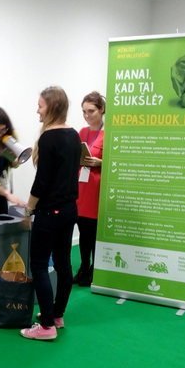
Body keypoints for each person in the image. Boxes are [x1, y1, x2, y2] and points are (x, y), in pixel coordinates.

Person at [20, 86, 81, 341]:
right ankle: (57, 315)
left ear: (52, 107)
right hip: (69, 210)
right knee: (63, 262)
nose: (37, 110)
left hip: (49, 212)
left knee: (39, 265)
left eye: (40, 106)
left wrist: (28, 209)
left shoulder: (48, 139)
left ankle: (46, 326)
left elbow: (41, 182)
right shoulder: (74, 135)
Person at [75, 91, 105, 286]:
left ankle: (95, 269)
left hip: (96, 187)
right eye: (84, 111)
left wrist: (100, 162)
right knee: (83, 231)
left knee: (93, 232)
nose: (87, 115)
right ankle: (84, 267)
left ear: (101, 110)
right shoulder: (82, 132)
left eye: (91, 111)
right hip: (81, 186)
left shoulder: (108, 134)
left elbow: (117, 161)